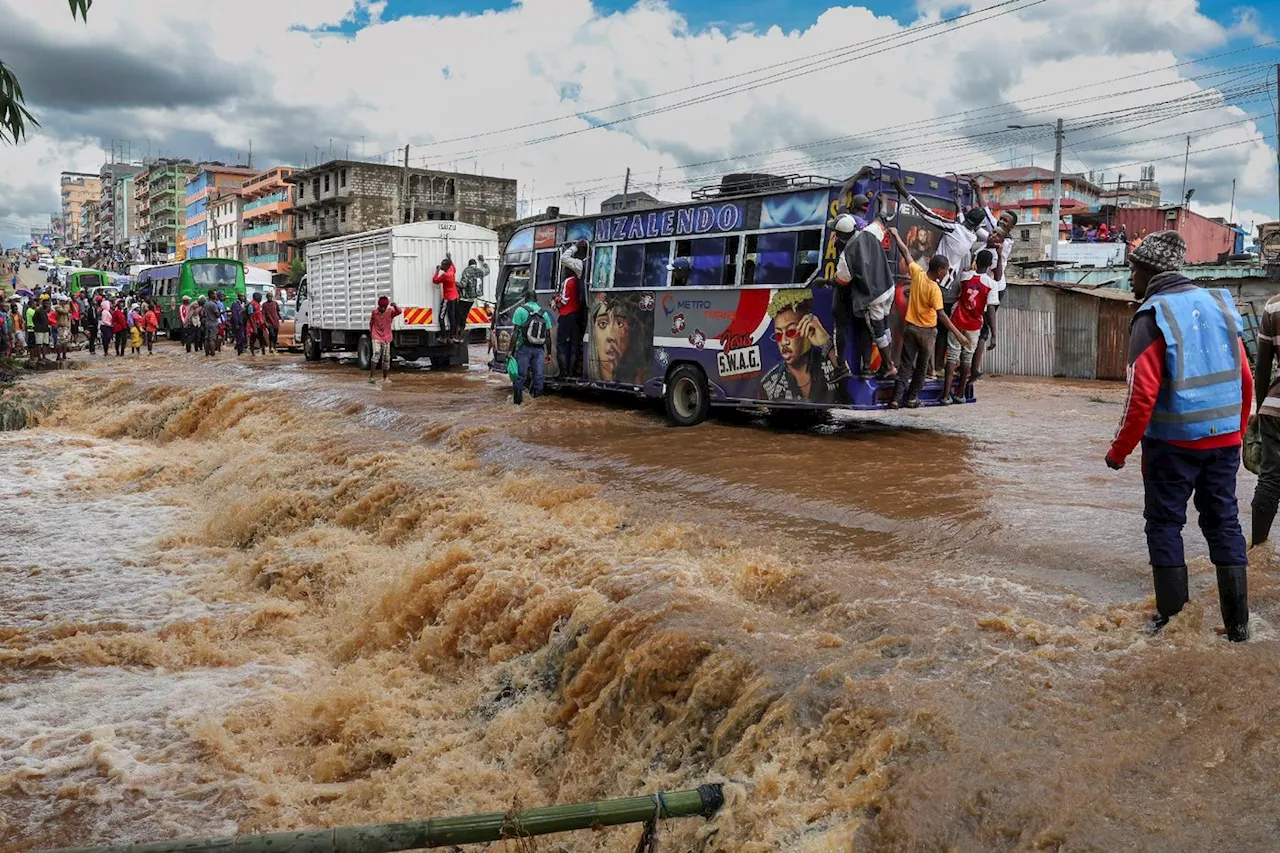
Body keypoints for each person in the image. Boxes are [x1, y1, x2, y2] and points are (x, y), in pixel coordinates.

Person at [1105, 230, 1251, 642]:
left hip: (1171, 445)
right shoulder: (1220, 305)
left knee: (1165, 525)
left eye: (1132, 272)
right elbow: (1245, 378)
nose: (1130, 281)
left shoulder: (1153, 316)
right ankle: (1239, 628)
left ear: (1145, 271)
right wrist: (1236, 434)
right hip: (1223, 441)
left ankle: (1172, 625)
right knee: (1224, 524)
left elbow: (1141, 395)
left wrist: (1119, 452)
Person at [887, 228, 962, 409]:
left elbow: (905, 252)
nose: (947, 273)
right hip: (926, 333)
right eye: (945, 270)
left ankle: (896, 399)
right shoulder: (935, 289)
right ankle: (912, 398)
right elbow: (941, 315)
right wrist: (958, 334)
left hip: (910, 328)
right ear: (939, 270)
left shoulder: (917, 274)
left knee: (905, 366)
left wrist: (896, 234)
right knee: (921, 368)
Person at [831, 208, 897, 379]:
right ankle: (885, 364)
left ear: (840, 236)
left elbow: (842, 281)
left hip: (874, 296)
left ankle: (889, 366)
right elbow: (882, 221)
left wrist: (827, 282)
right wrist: (883, 204)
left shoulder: (847, 255)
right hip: (889, 288)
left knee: (877, 331)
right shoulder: (870, 232)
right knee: (885, 325)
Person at [758, 289, 841, 403]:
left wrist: (825, 342)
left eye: (791, 332)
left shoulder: (829, 362)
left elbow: (852, 379)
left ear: (806, 327)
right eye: (778, 335)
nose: (784, 342)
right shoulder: (769, 385)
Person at [942, 249, 994, 405]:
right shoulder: (992, 284)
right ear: (991, 265)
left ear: (975, 261)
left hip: (957, 320)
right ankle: (960, 394)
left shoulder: (965, 276)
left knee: (952, 356)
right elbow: (990, 310)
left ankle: (945, 395)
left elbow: (957, 292)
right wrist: (994, 333)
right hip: (974, 324)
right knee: (967, 358)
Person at [970, 231, 1007, 379]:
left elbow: (997, 277)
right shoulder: (981, 248)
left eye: (997, 236)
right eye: (992, 233)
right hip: (979, 287)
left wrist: (998, 256)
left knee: (983, 329)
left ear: (1001, 241)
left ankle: (975, 367)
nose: (992, 236)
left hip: (991, 290)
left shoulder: (996, 254)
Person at [509, 287, 552, 404]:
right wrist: (549, 353)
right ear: (536, 300)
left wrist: (510, 351)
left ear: (525, 299)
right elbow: (548, 336)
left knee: (520, 377)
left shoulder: (520, 311)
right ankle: (536, 404)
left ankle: (517, 404)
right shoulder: (544, 314)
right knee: (538, 377)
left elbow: (515, 332)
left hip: (524, 348)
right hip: (539, 350)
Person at [554, 249, 585, 377]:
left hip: (567, 315)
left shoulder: (568, 281)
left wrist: (556, 299)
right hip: (577, 315)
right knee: (574, 344)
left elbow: (564, 300)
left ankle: (563, 373)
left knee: (561, 343)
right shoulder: (579, 280)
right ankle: (571, 372)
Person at [368, 295, 401, 384]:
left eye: (384, 307)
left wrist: (395, 306)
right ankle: (371, 377)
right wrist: (371, 332)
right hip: (376, 336)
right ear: (378, 306)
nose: (383, 309)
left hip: (387, 337)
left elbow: (399, 312)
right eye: (381, 307)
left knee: (386, 358)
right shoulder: (374, 312)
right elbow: (371, 323)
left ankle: (385, 377)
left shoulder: (390, 311)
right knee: (376, 354)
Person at [434, 258, 460, 343]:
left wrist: (437, 271)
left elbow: (435, 280)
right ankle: (451, 336)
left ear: (446, 266)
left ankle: (443, 336)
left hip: (448, 298)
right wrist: (450, 258)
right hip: (454, 296)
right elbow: (454, 267)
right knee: (451, 317)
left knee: (441, 317)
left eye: (442, 265)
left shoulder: (445, 275)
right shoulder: (451, 270)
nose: (441, 266)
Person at [54, 295, 71, 362]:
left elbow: (73, 310)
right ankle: (58, 356)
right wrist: (68, 305)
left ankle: (64, 355)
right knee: (60, 342)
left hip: (66, 326)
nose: (65, 302)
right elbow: (65, 311)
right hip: (60, 327)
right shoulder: (58, 307)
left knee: (65, 342)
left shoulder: (65, 307)